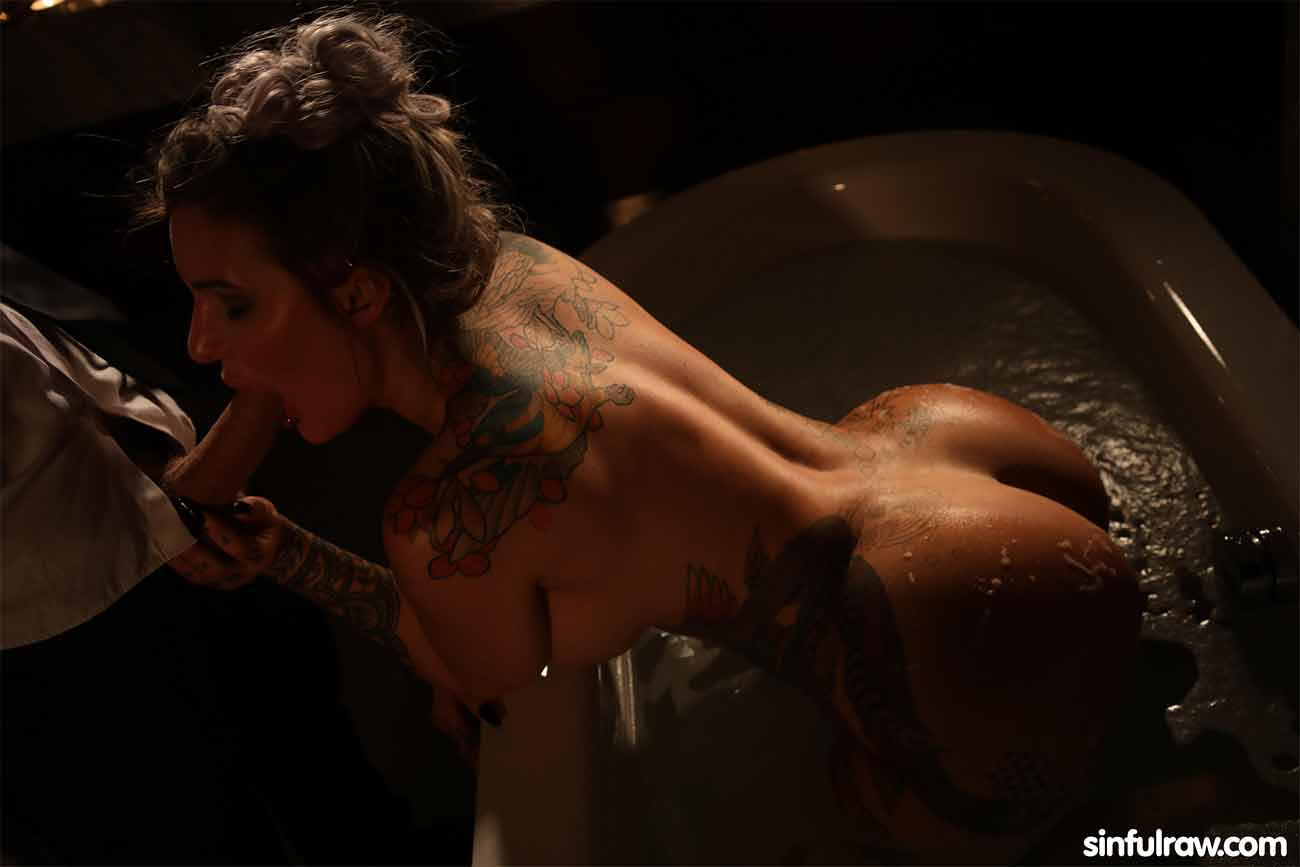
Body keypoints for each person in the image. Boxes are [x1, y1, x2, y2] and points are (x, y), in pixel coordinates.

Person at [136, 8, 1144, 862]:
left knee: (867, 813)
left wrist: (295, 555)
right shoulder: (516, 264)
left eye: (231, 304)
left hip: (939, 636)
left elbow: (485, 683)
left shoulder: (445, 521)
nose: (198, 342)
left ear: (357, 292)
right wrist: (276, 349)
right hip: (945, 451)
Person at [0, 298, 428, 864]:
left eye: (233, 301)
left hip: (197, 558)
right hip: (65, 667)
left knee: (342, 804)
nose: (201, 343)